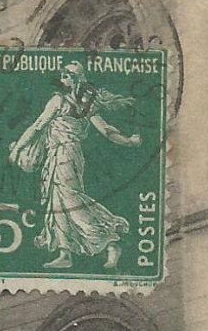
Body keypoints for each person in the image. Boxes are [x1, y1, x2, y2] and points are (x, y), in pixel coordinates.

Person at [7, 60, 142, 271]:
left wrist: (17, 149)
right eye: (63, 72)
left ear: (76, 79)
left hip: (66, 155)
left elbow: (38, 127)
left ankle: (110, 242)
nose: (63, 75)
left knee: (70, 200)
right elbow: (105, 129)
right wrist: (129, 141)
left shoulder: (61, 102)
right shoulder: (74, 103)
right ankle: (65, 253)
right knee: (56, 201)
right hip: (58, 155)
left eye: (67, 73)